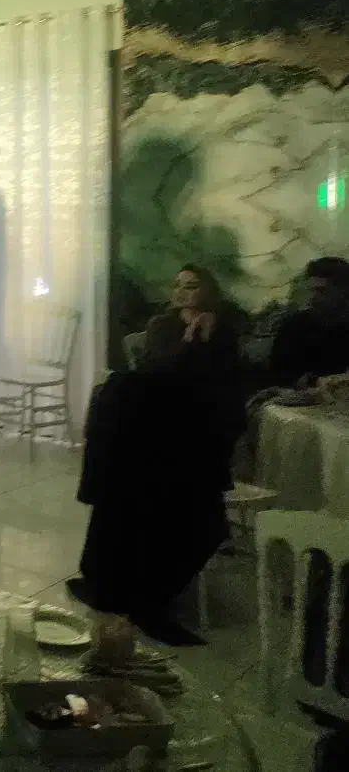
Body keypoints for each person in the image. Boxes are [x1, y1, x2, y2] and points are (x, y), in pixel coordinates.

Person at [69, 264, 245, 645]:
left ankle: (150, 592)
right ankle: (126, 589)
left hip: (196, 432)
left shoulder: (225, 327)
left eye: (192, 286)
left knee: (186, 501)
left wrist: (210, 332)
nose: (182, 292)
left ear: (208, 291)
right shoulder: (162, 326)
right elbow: (162, 372)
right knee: (142, 486)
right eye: (178, 285)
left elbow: (223, 383)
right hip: (153, 429)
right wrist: (190, 337)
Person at [269, 256, 349, 388]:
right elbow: (280, 376)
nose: (314, 297)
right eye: (312, 290)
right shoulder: (294, 328)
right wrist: (312, 382)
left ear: (343, 292)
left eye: (322, 291)